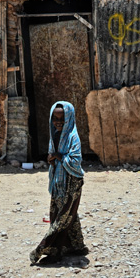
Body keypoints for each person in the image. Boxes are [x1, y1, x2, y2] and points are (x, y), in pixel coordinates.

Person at [30, 101, 88, 264]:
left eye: (62, 119)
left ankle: (50, 250)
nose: (58, 122)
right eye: (55, 119)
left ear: (69, 119)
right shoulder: (54, 134)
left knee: (62, 218)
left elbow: (75, 161)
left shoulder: (72, 137)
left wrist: (59, 156)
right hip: (58, 182)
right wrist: (52, 159)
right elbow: (53, 156)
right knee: (68, 214)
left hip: (71, 182)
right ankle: (77, 247)